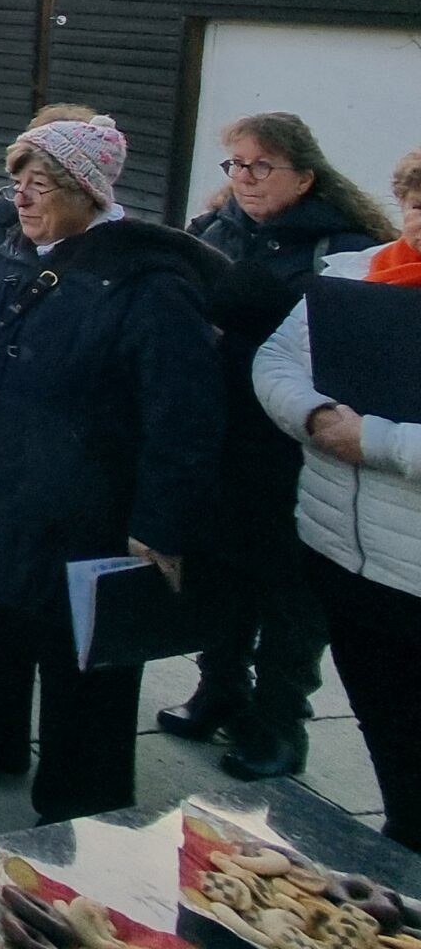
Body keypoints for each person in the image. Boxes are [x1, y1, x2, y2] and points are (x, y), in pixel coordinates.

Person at [0, 115, 224, 821]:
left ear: (88, 192)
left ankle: (82, 800)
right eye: (18, 183)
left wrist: (160, 525)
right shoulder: (30, 254)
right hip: (0, 482)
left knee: (81, 653)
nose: (21, 199)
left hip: (87, 504)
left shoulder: (149, 285)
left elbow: (184, 418)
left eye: (42, 185)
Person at [167, 113, 391, 780]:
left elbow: (343, 344)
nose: (245, 177)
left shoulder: (342, 247)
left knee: (291, 592)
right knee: (221, 571)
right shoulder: (215, 228)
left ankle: (279, 725)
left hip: (296, 446)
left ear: (305, 176)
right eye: (236, 164)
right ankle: (219, 689)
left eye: (261, 165)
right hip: (223, 430)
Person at [255, 146, 421, 848]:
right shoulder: (357, 275)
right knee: (385, 727)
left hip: (413, 569)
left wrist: (373, 440)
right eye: (417, 202)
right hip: (341, 553)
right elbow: (277, 360)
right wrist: (317, 416)